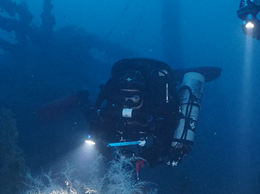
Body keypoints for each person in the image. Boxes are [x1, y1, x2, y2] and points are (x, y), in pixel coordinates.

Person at [83, 58, 221, 169]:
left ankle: (175, 75)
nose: (129, 102)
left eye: (135, 96)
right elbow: (99, 122)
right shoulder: (114, 107)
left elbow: (166, 131)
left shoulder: (157, 107)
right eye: (126, 96)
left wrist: (156, 151)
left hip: (159, 93)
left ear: (143, 96)